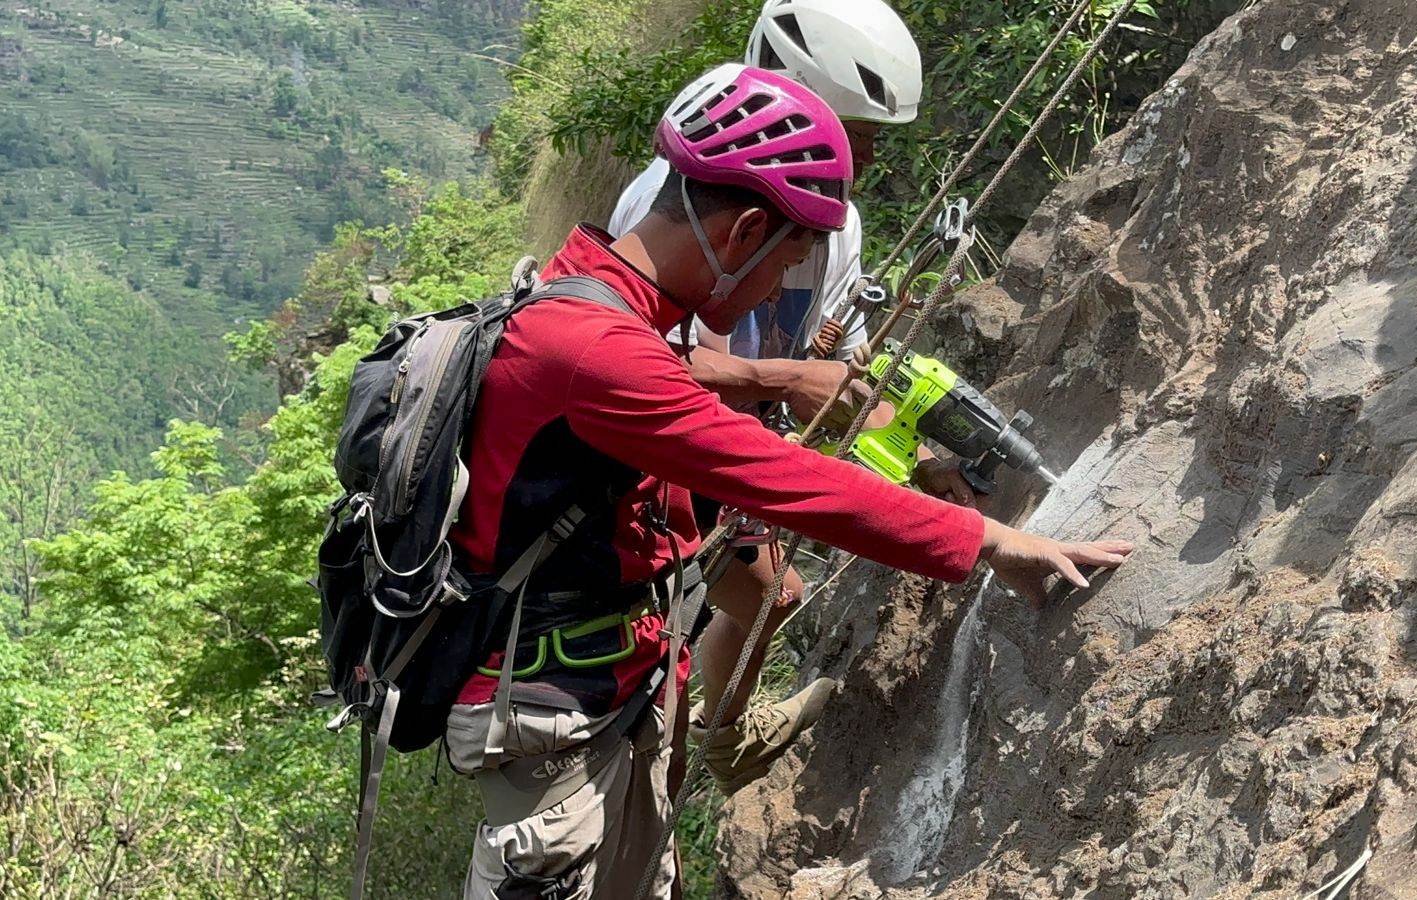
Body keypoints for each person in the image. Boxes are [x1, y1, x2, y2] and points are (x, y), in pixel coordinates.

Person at [445, 64, 1132, 899]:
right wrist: (992, 541)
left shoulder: (598, 298)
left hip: (612, 687)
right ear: (743, 233)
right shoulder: (598, 350)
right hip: (554, 726)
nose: (781, 288)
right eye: (789, 260)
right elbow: (785, 479)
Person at [608, 0, 964, 796]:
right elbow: (650, 371)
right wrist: (786, 385)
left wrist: (918, 451)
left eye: (872, 139)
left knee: (772, 595)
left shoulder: (838, 225)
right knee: (767, 593)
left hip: (737, 444)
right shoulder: (676, 207)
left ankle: (711, 738)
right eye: (852, 133)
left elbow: (828, 361)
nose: (865, 156)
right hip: (662, 462)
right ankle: (710, 744)